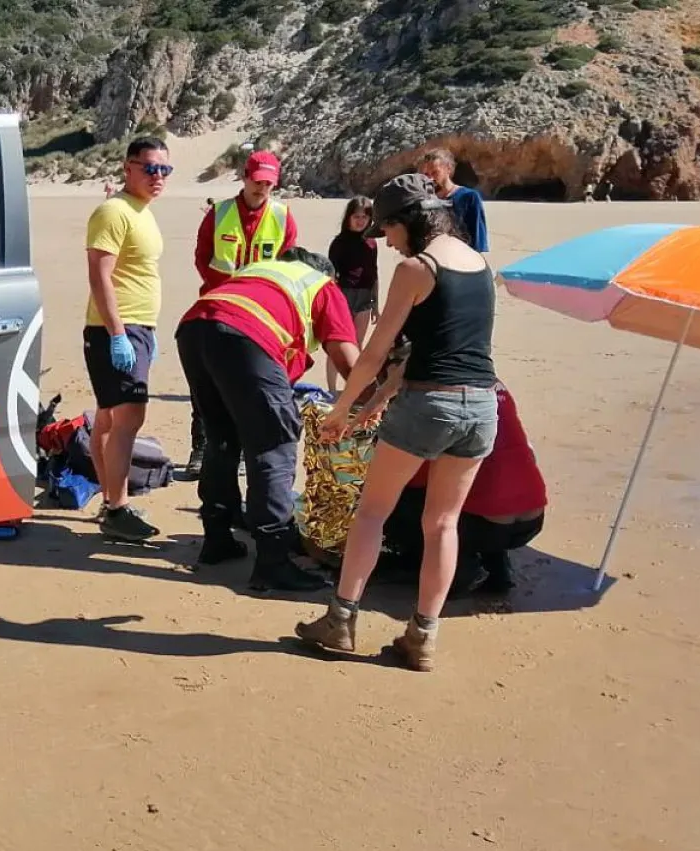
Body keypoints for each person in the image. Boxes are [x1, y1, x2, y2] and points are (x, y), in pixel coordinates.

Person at [294, 172, 500, 671]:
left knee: (371, 512)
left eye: (387, 228)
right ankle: (422, 638)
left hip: (429, 405)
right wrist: (378, 402)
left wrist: (342, 410)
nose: (386, 241)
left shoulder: (416, 268)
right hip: (481, 406)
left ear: (411, 221)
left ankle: (340, 620)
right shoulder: (479, 264)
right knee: (443, 523)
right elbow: (439, 349)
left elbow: (374, 353)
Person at [174, 246, 363, 591]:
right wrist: (375, 402)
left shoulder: (260, 274)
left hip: (194, 328)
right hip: (245, 333)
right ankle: (273, 561)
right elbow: (347, 359)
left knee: (222, 439)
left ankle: (217, 538)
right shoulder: (322, 285)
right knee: (274, 445)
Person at [183, 150, 301, 477]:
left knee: (252, 386)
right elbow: (203, 257)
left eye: (268, 183)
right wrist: (227, 291)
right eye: (257, 181)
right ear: (245, 177)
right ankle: (201, 449)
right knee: (207, 385)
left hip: (261, 317)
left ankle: (248, 452)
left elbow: (288, 264)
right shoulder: (219, 213)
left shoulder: (282, 216)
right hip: (217, 309)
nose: (262, 188)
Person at [83, 136, 172, 542]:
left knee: (108, 416)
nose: (158, 176)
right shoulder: (114, 211)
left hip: (139, 328)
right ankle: (117, 509)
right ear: (128, 168)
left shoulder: (141, 211)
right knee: (129, 417)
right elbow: (99, 276)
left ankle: (109, 500)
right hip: (116, 328)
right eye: (150, 168)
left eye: (164, 169)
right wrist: (118, 334)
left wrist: (145, 334)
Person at [380, 382, 546, 594]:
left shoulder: (436, 399)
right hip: (532, 517)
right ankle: (497, 566)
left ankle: (458, 571)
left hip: (487, 526)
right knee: (484, 485)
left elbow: (416, 479)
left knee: (400, 500)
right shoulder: (497, 387)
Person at [326, 195, 380, 391]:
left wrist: (376, 304)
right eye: (356, 216)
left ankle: (353, 389)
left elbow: (374, 273)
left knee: (357, 345)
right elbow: (330, 275)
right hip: (343, 295)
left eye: (365, 217)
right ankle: (332, 389)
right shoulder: (339, 243)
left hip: (365, 296)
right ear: (348, 217)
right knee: (338, 345)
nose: (360, 221)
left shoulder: (371, 243)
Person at [418, 147, 488, 253]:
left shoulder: (468, 197)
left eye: (435, 172)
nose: (430, 178)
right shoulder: (427, 200)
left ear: (448, 169)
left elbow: (478, 240)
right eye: (427, 174)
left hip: (462, 256)